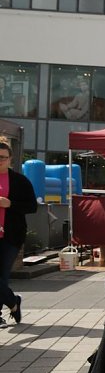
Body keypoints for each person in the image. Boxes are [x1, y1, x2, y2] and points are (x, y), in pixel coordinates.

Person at [0, 137, 36, 327]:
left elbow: (32, 207)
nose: (0, 160)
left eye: (3, 157)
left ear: (10, 159)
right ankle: (13, 302)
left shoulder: (20, 181)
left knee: (3, 275)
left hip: (10, 236)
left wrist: (10, 204)